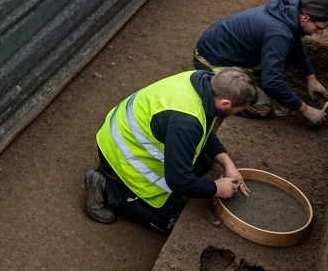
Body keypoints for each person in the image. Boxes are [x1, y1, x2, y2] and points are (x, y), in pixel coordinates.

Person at [86, 68, 257, 232]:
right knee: (172, 221)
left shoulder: (201, 83)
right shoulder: (185, 123)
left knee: (203, 163)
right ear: (225, 103)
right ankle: (105, 187)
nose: (238, 113)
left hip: (124, 135)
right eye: (240, 109)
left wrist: (228, 164)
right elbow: (179, 181)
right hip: (120, 154)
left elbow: (203, 130)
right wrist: (216, 188)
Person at [193, 0, 328, 125]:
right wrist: (306, 110)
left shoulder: (287, 13)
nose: (320, 33)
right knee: (262, 106)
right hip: (210, 61)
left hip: (225, 51)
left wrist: (311, 78)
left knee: (276, 65)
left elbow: (296, 45)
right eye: (319, 28)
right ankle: (212, 94)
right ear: (305, 17)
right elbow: (272, 83)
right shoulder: (279, 33)